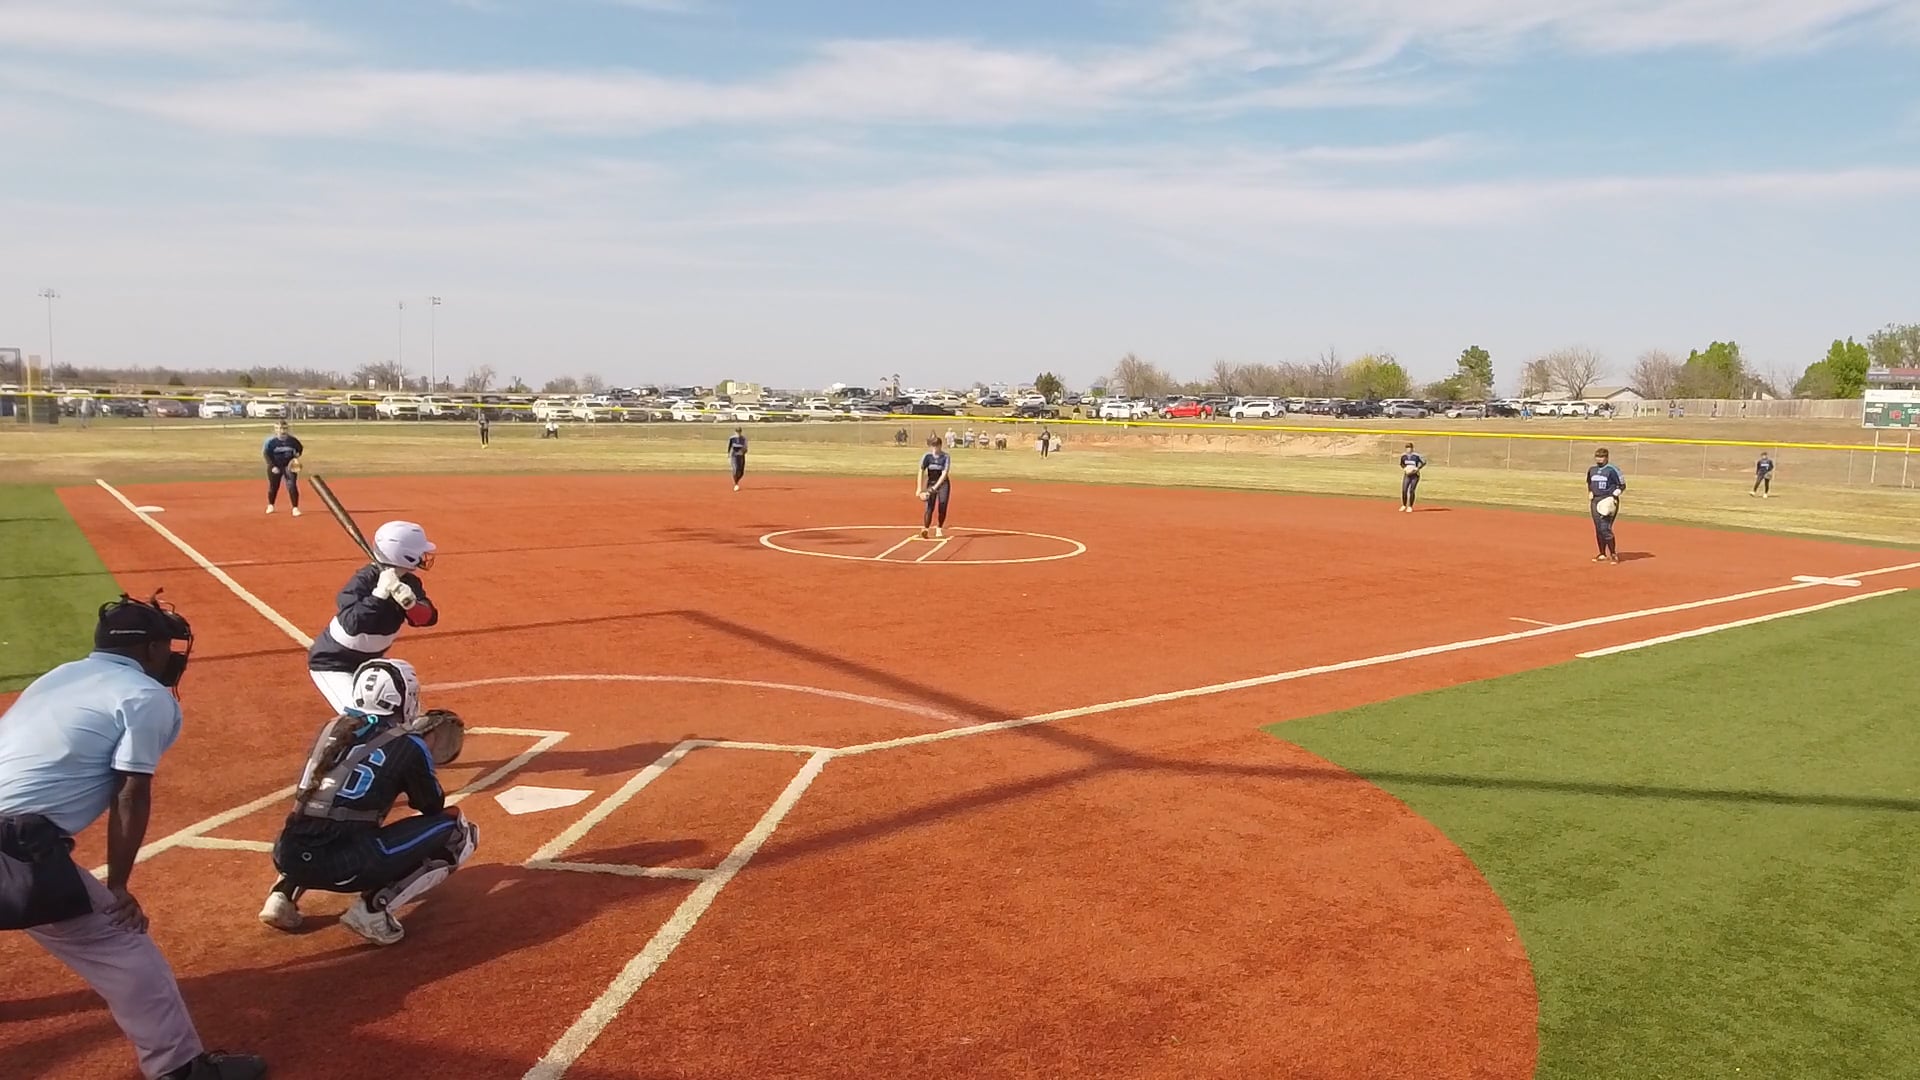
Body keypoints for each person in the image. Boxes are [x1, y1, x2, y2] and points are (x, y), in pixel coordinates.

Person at [0, 594, 266, 1080]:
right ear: (149, 649)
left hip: (13, 834)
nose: (172, 655)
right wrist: (119, 886)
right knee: (121, 945)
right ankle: (178, 1067)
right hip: (15, 848)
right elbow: (130, 791)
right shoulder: (144, 697)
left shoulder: (60, 676)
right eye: (166, 646)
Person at [258, 659, 478, 946]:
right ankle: (372, 910)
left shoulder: (331, 727)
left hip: (287, 854)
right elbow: (431, 806)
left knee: (319, 814)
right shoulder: (408, 745)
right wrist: (423, 751)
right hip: (346, 865)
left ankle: (282, 895)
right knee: (458, 831)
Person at [306, 521, 440, 714]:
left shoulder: (409, 582)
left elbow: (428, 618)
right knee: (362, 716)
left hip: (369, 662)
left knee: (404, 711)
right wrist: (378, 595)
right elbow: (352, 623)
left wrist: (410, 604)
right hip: (332, 663)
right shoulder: (364, 580)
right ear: (406, 555)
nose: (423, 556)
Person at [1586, 447, 1626, 564]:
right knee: (1598, 528)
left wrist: (1617, 492)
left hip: (1608, 500)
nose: (1599, 459)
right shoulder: (1592, 470)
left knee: (1605, 528)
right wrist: (1590, 491)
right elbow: (1589, 482)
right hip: (1595, 500)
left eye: (1602, 457)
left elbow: (1622, 485)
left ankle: (1613, 554)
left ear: (1607, 458)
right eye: (1597, 457)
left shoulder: (1612, 470)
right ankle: (1602, 553)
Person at [263, 420, 304, 517]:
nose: (282, 431)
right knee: (274, 486)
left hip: (288, 466)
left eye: (284, 428)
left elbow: (299, 449)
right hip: (275, 466)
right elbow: (266, 455)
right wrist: (273, 466)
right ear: (275, 430)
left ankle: (295, 508)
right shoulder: (271, 442)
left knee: (292, 485)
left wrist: (296, 458)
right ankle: (271, 505)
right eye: (279, 428)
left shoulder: (293, 441)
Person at [917, 435, 952, 539]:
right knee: (929, 506)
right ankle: (926, 529)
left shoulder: (945, 457)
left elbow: (944, 474)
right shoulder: (927, 456)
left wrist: (934, 488)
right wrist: (919, 489)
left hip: (943, 483)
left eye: (937, 445)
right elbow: (921, 471)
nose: (935, 448)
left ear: (940, 445)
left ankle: (939, 527)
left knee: (942, 504)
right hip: (931, 481)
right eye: (933, 445)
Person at [1398, 442, 1426, 513]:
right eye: (1407, 448)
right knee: (1404, 490)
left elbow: (1424, 462)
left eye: (1410, 447)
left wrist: (1418, 468)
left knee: (1411, 490)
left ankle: (1410, 506)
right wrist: (1404, 468)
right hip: (1407, 474)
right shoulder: (1403, 456)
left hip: (1415, 475)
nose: (1408, 449)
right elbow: (1401, 464)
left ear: (1412, 448)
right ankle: (1404, 505)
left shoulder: (1416, 456)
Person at [727, 427, 748, 491]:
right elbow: (729, 447)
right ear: (735, 432)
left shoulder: (743, 439)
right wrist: (728, 455)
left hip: (741, 456)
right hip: (734, 456)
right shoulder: (732, 438)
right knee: (735, 469)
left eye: (739, 432)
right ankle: (736, 484)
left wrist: (743, 451)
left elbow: (746, 448)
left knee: (741, 472)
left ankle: (737, 481)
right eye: (737, 432)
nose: (738, 433)